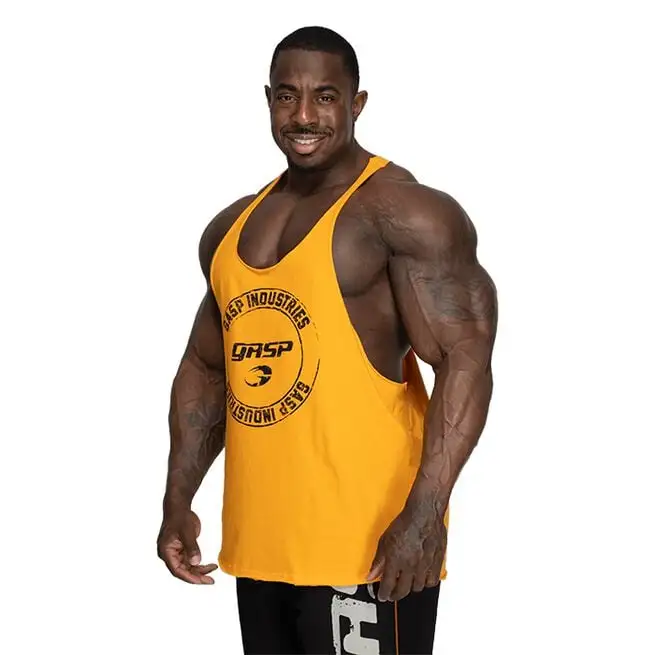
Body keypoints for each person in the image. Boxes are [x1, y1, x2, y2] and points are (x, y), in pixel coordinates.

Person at [157, 25, 497, 655]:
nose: (304, 116)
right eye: (288, 96)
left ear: (357, 103)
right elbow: (207, 367)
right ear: (268, 100)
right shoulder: (231, 227)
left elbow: (466, 359)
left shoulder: (403, 212)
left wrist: (426, 513)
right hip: (261, 548)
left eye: (325, 96)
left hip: (367, 551)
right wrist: (178, 497)